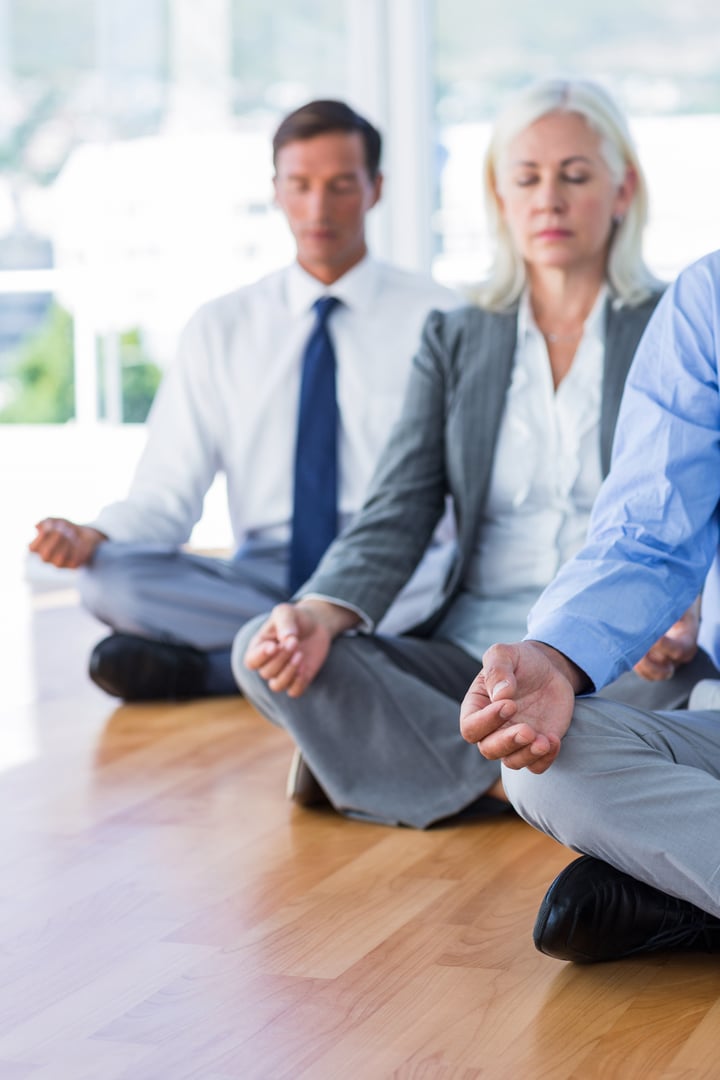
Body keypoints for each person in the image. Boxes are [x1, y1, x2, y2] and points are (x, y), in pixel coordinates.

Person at [235, 78, 717, 829]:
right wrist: (321, 611)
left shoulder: (681, 325)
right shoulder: (456, 337)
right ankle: (511, 779)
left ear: (622, 191)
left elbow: (676, 515)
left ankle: (386, 766)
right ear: (499, 198)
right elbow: (400, 504)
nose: (549, 200)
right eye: (526, 179)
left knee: (671, 707)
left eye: (575, 176)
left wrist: (675, 615)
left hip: (618, 662)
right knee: (267, 649)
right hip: (473, 656)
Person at [28, 99, 458, 701]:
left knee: (446, 600)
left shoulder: (441, 319)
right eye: (300, 185)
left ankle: (213, 670)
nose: (318, 208)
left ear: (375, 189)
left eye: (340, 186)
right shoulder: (220, 326)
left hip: (391, 572)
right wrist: (92, 535)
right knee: (109, 580)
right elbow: (165, 497)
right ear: (275, 190)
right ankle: (334, 662)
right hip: (262, 577)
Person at [459, 245, 720, 963]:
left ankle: (681, 893)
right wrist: (555, 657)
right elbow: (649, 530)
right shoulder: (710, 298)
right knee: (552, 758)